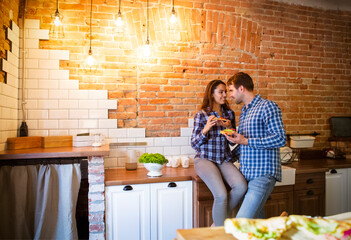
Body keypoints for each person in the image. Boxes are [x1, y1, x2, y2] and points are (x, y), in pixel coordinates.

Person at [224, 72, 287, 219]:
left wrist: (244, 140)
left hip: (262, 175)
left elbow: (280, 139)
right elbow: (245, 144)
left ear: (241, 88)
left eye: (231, 90)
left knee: (241, 222)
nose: (230, 95)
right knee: (256, 226)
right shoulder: (245, 111)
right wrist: (235, 141)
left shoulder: (268, 106)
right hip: (248, 175)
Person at [191, 79, 247, 227]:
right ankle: (221, 232)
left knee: (241, 187)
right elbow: (194, 144)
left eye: (225, 92)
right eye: (221, 92)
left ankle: (216, 225)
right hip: (204, 159)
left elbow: (232, 142)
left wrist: (230, 129)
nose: (225, 95)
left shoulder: (229, 114)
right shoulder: (201, 115)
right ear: (212, 94)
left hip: (223, 159)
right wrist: (206, 129)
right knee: (221, 195)